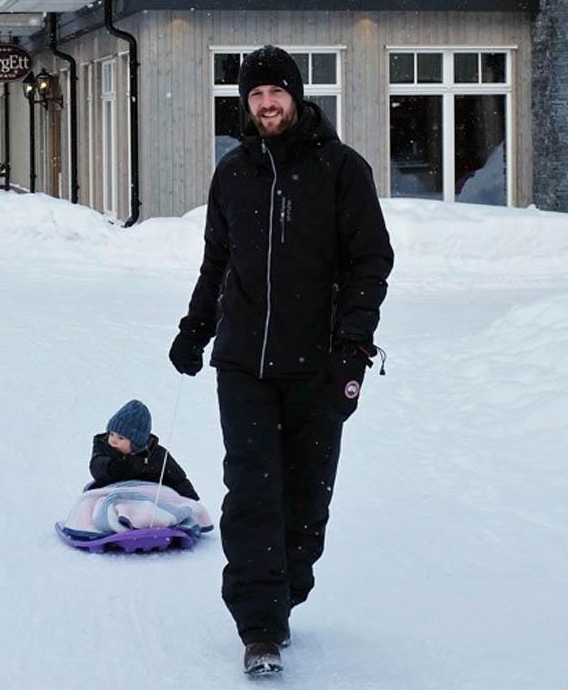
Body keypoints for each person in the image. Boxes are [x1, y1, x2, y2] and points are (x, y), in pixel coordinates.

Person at [168, 45, 394, 676]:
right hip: (242, 363)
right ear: (245, 104)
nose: (266, 104)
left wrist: (353, 348)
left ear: (296, 96)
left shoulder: (341, 169)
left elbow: (370, 263)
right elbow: (218, 262)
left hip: (318, 363)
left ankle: (286, 590)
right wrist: (196, 329)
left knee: (305, 495)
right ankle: (259, 624)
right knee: (252, 488)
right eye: (255, 95)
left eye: (276, 93)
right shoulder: (233, 174)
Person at [89, 399, 200, 501]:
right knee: (90, 502)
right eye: (111, 434)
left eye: (120, 438)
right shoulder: (104, 447)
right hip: (110, 496)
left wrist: (190, 498)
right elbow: (96, 466)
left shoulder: (156, 455)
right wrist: (111, 467)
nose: (113, 440)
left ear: (136, 443)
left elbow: (177, 478)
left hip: (146, 501)